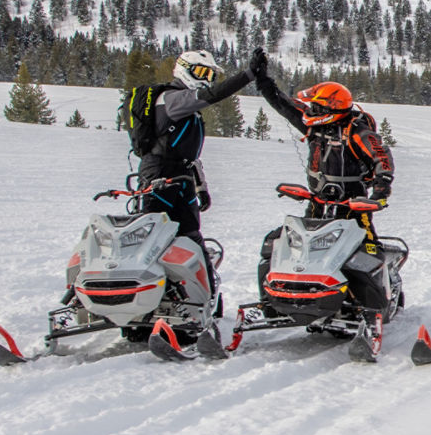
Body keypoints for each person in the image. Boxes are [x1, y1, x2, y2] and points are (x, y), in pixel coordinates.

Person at [250, 66, 396, 311]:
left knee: (365, 251)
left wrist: (381, 189)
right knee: (284, 245)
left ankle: (377, 303)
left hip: (352, 205)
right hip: (318, 203)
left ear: (332, 108)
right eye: (313, 107)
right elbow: (284, 105)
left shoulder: (356, 130)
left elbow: (381, 156)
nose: (311, 111)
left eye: (317, 108)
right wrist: (264, 82)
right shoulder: (313, 125)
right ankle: (277, 300)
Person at [129, 48, 258, 295]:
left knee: (190, 237)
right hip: (159, 175)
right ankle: (148, 297)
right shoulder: (171, 98)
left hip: (182, 177)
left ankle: (199, 297)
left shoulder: (187, 107)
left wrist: (201, 186)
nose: (206, 79)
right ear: (184, 69)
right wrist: (248, 75)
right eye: (201, 72)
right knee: (153, 238)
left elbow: (190, 155)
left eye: (210, 74)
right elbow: (212, 95)